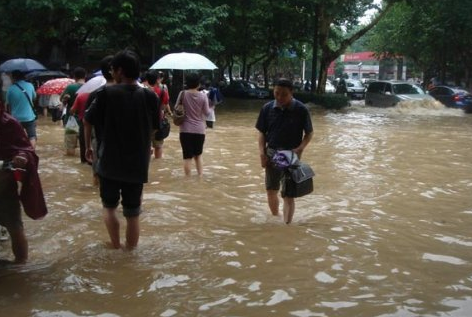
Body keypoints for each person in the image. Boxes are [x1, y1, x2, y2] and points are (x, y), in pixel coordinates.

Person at [83, 50, 159, 249]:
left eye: (112, 70)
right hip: (137, 163)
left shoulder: (105, 94)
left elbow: (87, 120)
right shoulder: (150, 96)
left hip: (109, 161)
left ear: (119, 71)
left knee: (109, 208)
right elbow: (156, 127)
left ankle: (115, 245)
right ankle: (130, 254)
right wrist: (147, 144)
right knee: (133, 214)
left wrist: (89, 147)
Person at [255, 78, 313, 224]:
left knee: (289, 194)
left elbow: (309, 133)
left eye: (284, 94)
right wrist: (262, 153)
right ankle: (276, 218)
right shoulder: (267, 108)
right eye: (277, 93)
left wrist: (300, 148)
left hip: (291, 155)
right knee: (271, 190)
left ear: (292, 93)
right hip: (271, 152)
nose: (280, 97)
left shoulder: (301, 109)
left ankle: (287, 225)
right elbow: (261, 133)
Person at [0, 105, 48, 263]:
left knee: (14, 226)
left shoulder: (9, 123)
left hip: (4, 184)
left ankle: (20, 266)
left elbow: (26, 150)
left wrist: (21, 157)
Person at [175, 72, 211, 176]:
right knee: (198, 155)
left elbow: (177, 108)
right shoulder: (203, 96)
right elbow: (207, 113)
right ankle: (200, 177)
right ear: (198, 83)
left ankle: (187, 180)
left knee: (187, 157)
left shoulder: (182, 94)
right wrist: (212, 107)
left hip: (185, 130)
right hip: (200, 130)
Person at [5, 70, 38, 149]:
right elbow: (34, 97)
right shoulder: (30, 85)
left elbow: (7, 105)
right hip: (29, 117)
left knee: (16, 137)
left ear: (13, 78)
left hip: (15, 119)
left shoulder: (10, 89)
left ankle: (19, 153)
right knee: (32, 137)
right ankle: (31, 153)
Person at [61, 67, 86, 157]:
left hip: (72, 120)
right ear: (85, 76)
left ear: (74, 76)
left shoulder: (70, 87)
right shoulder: (90, 87)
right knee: (86, 148)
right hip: (86, 121)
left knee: (70, 149)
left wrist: (65, 99)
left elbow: (62, 100)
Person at [151, 71, 171, 159]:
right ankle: (157, 163)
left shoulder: (143, 88)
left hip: (145, 120)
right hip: (158, 119)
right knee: (158, 145)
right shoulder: (163, 89)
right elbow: (165, 104)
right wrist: (169, 112)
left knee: (145, 145)